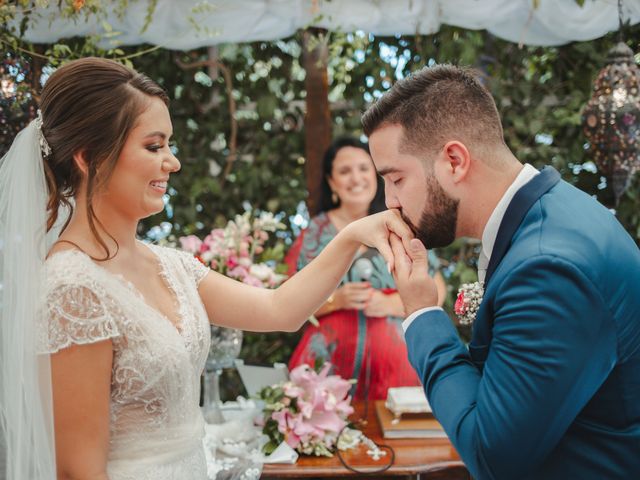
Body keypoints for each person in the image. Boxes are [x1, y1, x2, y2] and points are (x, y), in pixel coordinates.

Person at [0, 57, 414, 480]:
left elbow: (280, 310)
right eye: (154, 146)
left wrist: (351, 236)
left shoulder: (170, 265)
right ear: (89, 157)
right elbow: (78, 472)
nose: (173, 163)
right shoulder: (72, 287)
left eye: (169, 145)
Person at [361, 63, 640, 479]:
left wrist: (421, 314)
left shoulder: (548, 269)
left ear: (454, 161)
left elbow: (492, 457)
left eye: (397, 178)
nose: (391, 202)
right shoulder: (549, 217)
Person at [286, 137, 446, 400]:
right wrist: (335, 300)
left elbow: (437, 289)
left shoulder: (401, 224)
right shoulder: (315, 233)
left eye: (363, 168)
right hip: (325, 370)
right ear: (331, 182)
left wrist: (393, 305)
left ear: (376, 175)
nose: (356, 178)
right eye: (344, 171)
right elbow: (288, 303)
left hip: (400, 370)